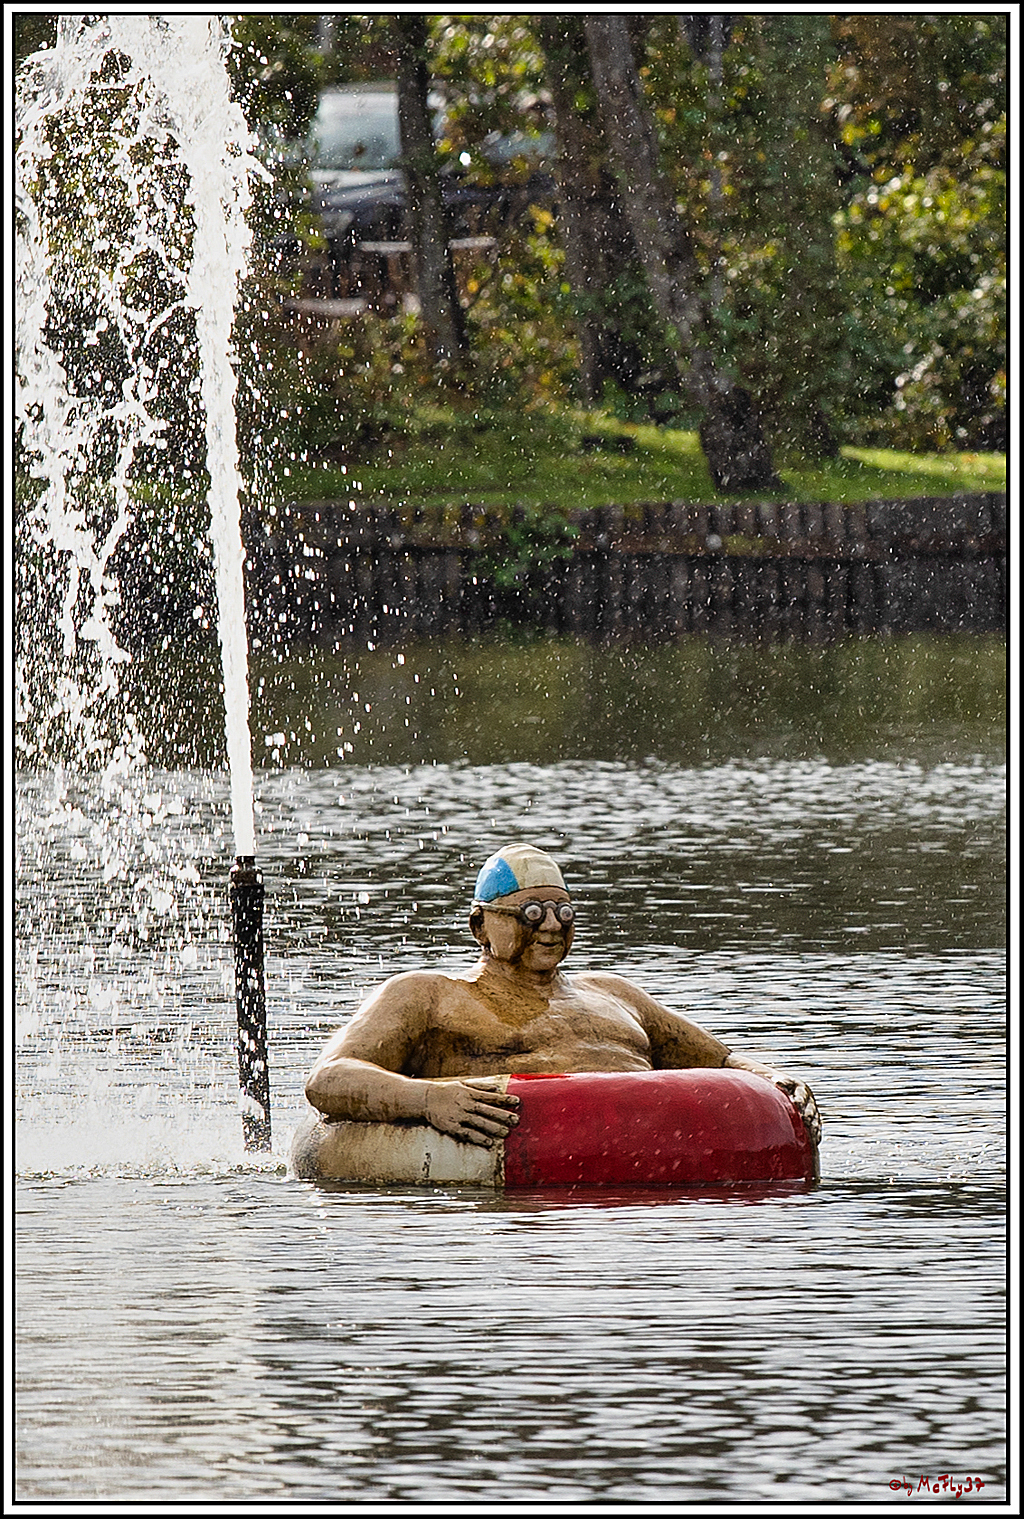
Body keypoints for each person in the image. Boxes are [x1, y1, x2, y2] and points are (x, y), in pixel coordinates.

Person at [304, 844, 821, 1149]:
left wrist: (775, 1082)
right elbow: (329, 1079)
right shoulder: (428, 995)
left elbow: (723, 1062)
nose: (551, 926)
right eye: (530, 914)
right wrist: (428, 1099)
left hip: (641, 1168)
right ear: (480, 926)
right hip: (510, 1183)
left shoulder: (615, 994)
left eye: (563, 912)